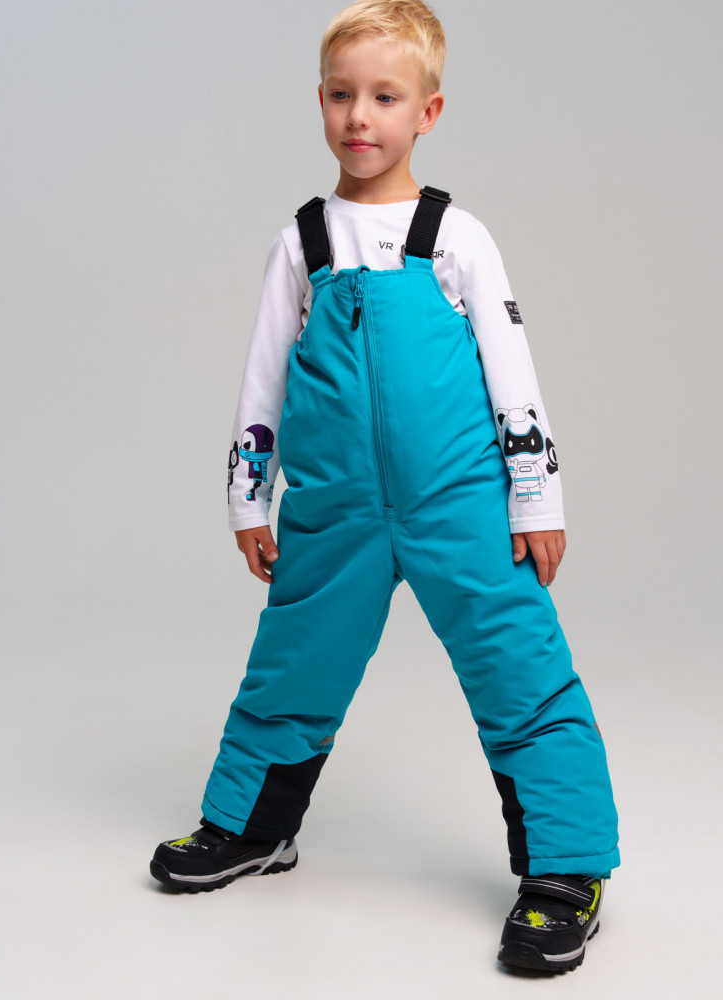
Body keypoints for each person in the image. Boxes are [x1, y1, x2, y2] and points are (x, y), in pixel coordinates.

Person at [149, 0, 620, 974]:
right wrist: (248, 497)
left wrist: (536, 498)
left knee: (520, 670)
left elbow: (512, 373)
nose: (359, 116)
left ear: (428, 112)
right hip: (334, 515)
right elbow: (264, 379)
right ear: (320, 102)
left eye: (385, 97)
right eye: (341, 95)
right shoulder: (303, 241)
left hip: (462, 505)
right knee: (291, 668)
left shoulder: (456, 237)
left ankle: (567, 868)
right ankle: (252, 827)